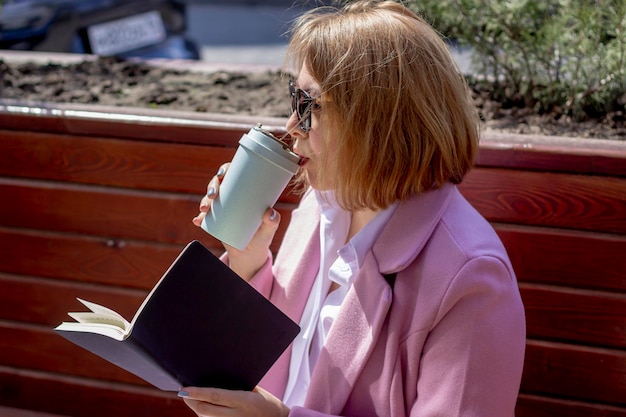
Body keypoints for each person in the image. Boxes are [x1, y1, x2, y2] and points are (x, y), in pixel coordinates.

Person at [183, 1, 526, 416]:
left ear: (377, 125)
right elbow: (281, 364)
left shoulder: (470, 276)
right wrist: (248, 262)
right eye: (295, 97)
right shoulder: (321, 207)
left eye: (310, 105)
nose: (292, 124)